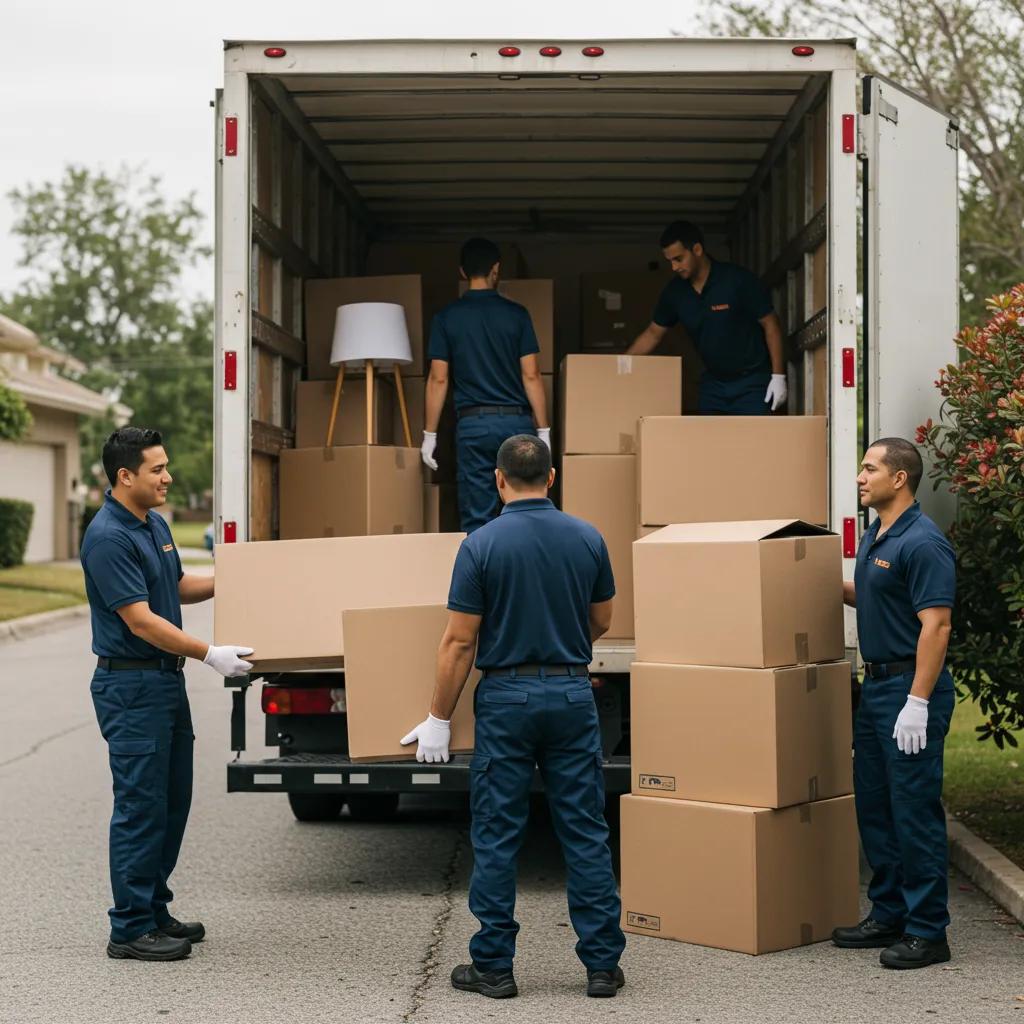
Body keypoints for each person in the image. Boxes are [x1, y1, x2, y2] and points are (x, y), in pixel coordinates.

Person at [400, 434, 626, 999]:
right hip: (572, 695)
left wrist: (438, 717)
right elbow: (602, 619)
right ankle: (602, 965)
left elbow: (459, 641)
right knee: (585, 830)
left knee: (498, 833)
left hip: (507, 699)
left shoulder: (480, 545)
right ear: (551, 478)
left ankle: (494, 967)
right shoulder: (588, 537)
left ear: (498, 480)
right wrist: (564, 647)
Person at [81, 427, 254, 962]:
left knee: (171, 802)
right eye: (157, 469)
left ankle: (154, 908)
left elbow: (176, 586)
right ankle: (130, 928)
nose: (168, 477)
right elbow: (140, 620)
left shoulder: (153, 523)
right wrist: (209, 653)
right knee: (141, 805)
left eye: (165, 466)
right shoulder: (108, 537)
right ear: (124, 476)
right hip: (131, 685)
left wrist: (238, 577)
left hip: (162, 681)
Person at [832, 438, 956, 969]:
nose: (860, 477)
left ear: (899, 478)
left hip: (910, 689)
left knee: (913, 810)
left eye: (870, 468)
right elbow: (875, 595)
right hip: (876, 688)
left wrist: (918, 702)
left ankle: (928, 931)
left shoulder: (923, 543)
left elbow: (937, 625)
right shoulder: (877, 534)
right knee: (876, 806)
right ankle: (889, 913)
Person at [420, 237, 550, 533]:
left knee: (478, 519)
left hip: (474, 427)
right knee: (524, 512)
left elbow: (438, 379)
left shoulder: (446, 318)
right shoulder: (517, 315)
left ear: (462, 272)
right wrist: (543, 430)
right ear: (496, 269)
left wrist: (430, 435)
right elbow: (531, 375)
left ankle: (484, 564)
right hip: (516, 425)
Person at [626, 220, 787, 415]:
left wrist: (778, 376)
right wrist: (621, 365)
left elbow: (770, 324)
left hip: (752, 382)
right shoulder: (675, 292)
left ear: (697, 249)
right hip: (714, 385)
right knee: (707, 434)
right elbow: (653, 334)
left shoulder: (737, 280)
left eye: (678, 259)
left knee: (755, 434)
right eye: (670, 261)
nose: (674, 267)